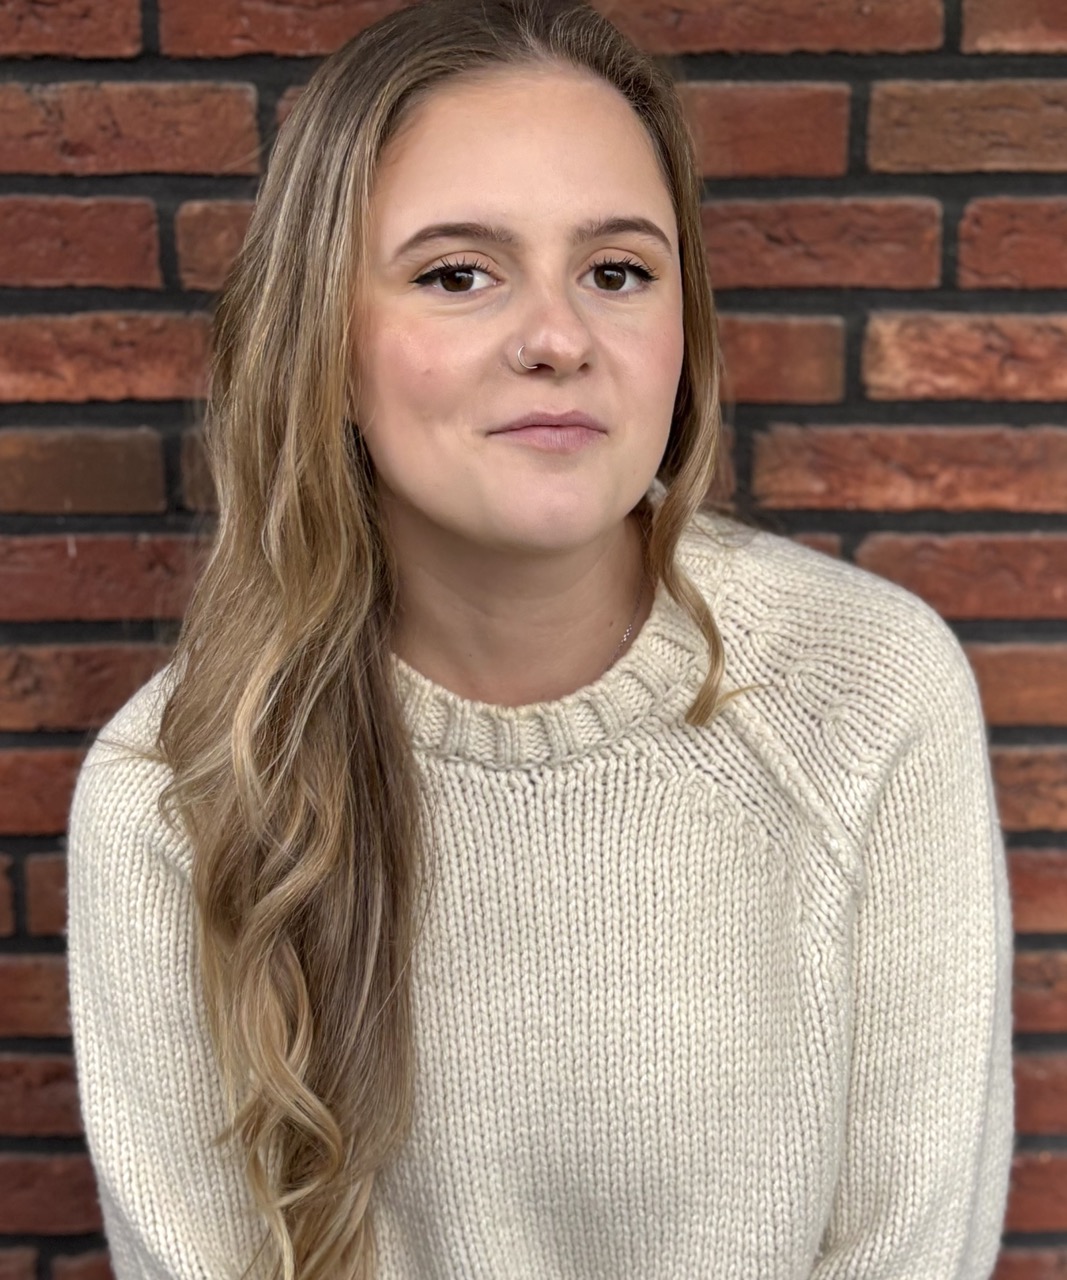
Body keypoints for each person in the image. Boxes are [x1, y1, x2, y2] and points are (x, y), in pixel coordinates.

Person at [65, 0, 1014, 1276]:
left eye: (615, 271)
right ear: (324, 342)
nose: (558, 339)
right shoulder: (174, 792)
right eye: (457, 273)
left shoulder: (863, 694)